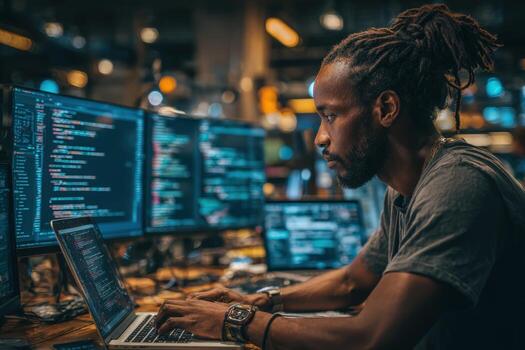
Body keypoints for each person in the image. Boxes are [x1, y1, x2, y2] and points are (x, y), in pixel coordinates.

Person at [155, 4, 525, 349]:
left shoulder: (459, 185)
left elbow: (372, 337)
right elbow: (354, 281)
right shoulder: (406, 188)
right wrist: (260, 300)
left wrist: (235, 320)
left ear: (386, 108)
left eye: (330, 115)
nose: (319, 137)